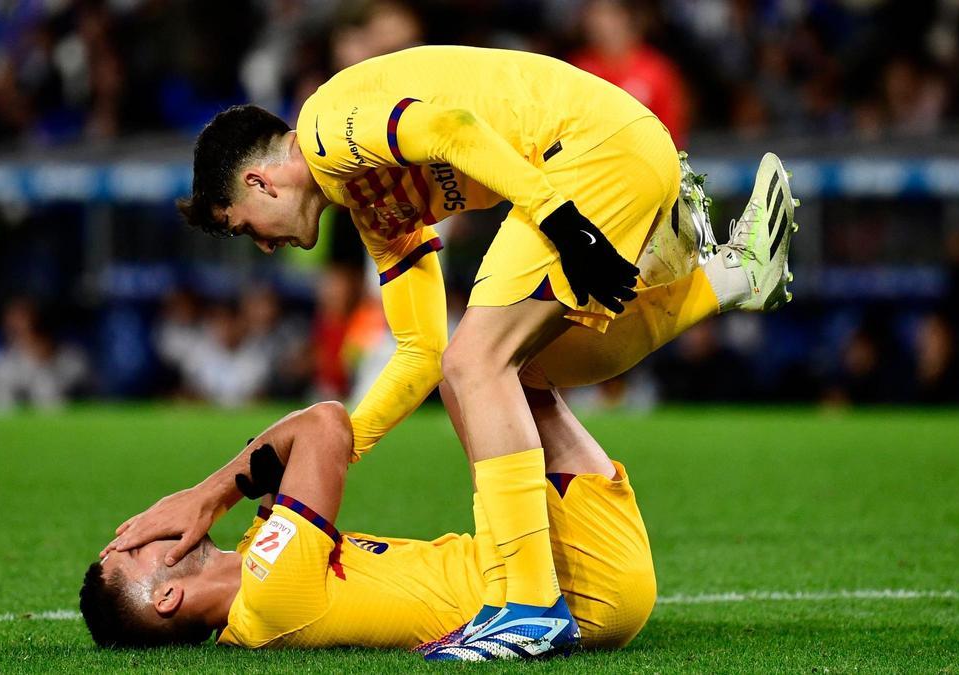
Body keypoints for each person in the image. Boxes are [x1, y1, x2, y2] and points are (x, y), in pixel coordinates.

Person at [167, 45, 798, 659]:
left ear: (259, 182)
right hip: (603, 156)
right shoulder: (373, 207)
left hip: (584, 158)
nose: (263, 246)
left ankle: (528, 607)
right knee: (516, 366)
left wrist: (558, 218)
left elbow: (449, 126)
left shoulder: (325, 130)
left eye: (243, 227)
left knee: (477, 363)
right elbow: (420, 352)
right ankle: (730, 276)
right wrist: (336, 450)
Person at [82, 396, 656, 657]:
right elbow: (324, 426)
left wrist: (215, 499)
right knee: (479, 365)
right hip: (580, 592)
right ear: (169, 597)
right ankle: (700, 288)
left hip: (554, 570)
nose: (144, 527)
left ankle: (689, 284)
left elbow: (279, 448)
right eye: (133, 549)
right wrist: (206, 498)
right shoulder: (269, 595)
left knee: (487, 367)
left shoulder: (257, 556)